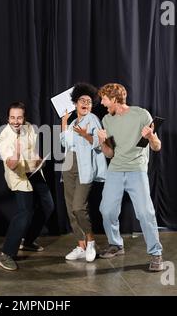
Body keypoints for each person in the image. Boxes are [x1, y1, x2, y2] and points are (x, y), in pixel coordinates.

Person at [96, 83, 164, 272]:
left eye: (104, 99)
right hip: (115, 170)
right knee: (107, 210)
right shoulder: (107, 120)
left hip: (136, 170)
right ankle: (116, 244)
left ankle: (156, 253)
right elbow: (109, 154)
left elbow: (157, 146)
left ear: (115, 99)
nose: (102, 103)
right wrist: (102, 142)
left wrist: (150, 136)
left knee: (145, 213)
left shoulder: (141, 115)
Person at [0, 102, 55, 271]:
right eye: (12, 118)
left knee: (48, 206)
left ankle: (28, 241)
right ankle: (5, 254)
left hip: (33, 172)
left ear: (24, 118)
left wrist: (39, 161)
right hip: (19, 176)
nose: (16, 121)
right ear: (8, 118)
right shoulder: (5, 136)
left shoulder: (29, 128)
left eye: (19, 117)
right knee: (25, 213)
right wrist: (16, 152)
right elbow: (12, 165)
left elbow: (33, 151)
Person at [60, 83, 107, 262]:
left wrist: (87, 135)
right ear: (75, 103)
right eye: (82, 100)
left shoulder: (93, 119)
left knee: (79, 207)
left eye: (89, 101)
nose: (86, 103)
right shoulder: (73, 123)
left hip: (85, 167)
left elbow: (98, 143)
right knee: (70, 208)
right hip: (69, 165)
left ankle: (91, 240)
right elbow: (65, 143)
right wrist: (64, 122)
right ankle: (80, 245)